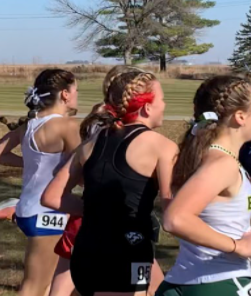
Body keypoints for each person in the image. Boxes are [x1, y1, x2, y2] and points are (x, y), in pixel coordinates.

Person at [41, 66, 177, 296]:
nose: (164, 105)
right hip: (126, 252)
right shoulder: (161, 146)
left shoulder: (91, 142)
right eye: (162, 99)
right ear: (147, 107)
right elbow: (172, 211)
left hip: (85, 250)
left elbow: (52, 197)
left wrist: (97, 211)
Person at [157, 76, 251, 296]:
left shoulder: (201, 156)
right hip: (220, 283)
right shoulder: (223, 164)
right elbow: (175, 219)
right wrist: (237, 246)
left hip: (189, 281)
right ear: (240, 116)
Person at [0, 69, 81, 296]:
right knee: (34, 287)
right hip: (48, 214)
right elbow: (83, 168)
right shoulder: (66, 126)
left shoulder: (28, 126)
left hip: (29, 209)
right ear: (65, 94)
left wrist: (30, 164)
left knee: (52, 283)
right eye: (76, 90)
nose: (77, 94)